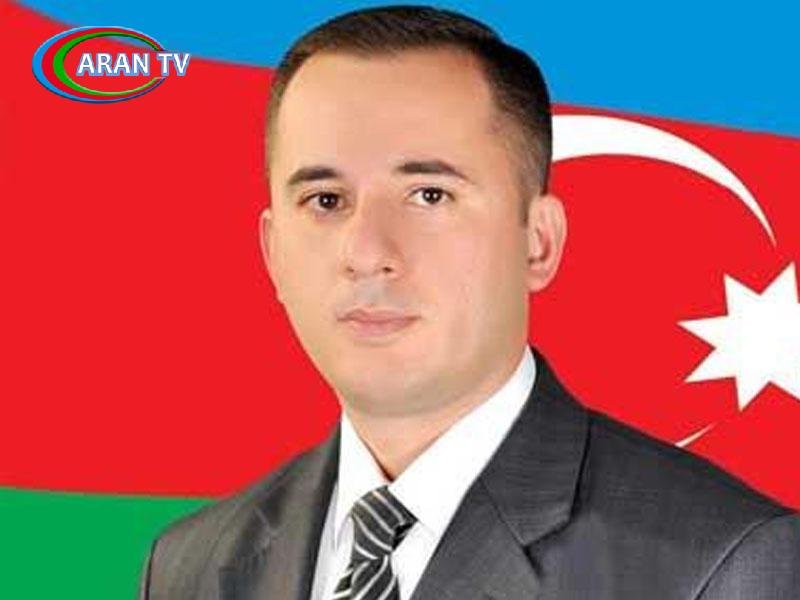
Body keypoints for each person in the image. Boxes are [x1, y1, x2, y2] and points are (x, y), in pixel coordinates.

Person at [138, 5, 800, 599]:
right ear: (272, 253)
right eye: (326, 200)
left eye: (429, 195)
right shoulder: (188, 566)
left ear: (539, 241)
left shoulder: (721, 563)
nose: (366, 251)